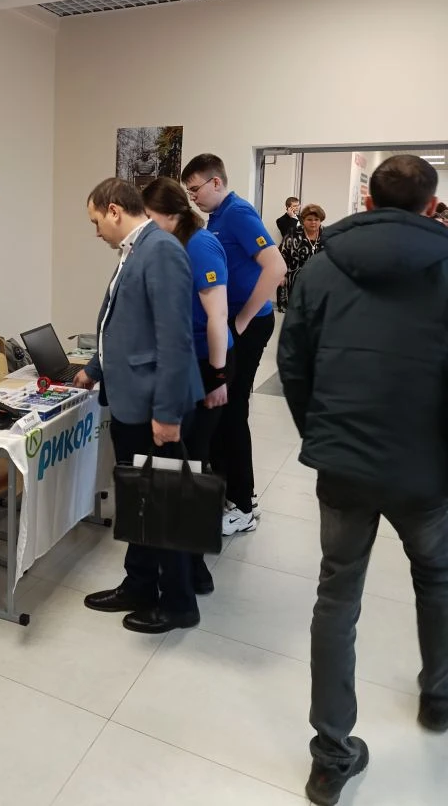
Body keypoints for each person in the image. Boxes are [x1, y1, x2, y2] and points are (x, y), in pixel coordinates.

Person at [277, 155, 448, 806]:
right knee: (437, 578)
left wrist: (321, 436)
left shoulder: (321, 269)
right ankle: (439, 696)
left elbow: (293, 366)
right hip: (426, 468)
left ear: (367, 202)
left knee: (336, 598)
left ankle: (330, 758)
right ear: (431, 207)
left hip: (344, 464)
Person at [73, 178, 205, 634]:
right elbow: (121, 324)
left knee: (163, 505)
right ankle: (140, 584)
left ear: (114, 210)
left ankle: (180, 604)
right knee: (140, 502)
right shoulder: (135, 250)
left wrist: (166, 415)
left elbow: (174, 339)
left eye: (96, 221)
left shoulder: (161, 250)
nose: (96, 232)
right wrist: (95, 367)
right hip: (133, 400)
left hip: (155, 407)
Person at [182, 154, 286, 534]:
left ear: (216, 182)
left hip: (249, 325)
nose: (193, 197)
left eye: (195, 189)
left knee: (233, 410)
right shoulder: (216, 218)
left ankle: (243, 505)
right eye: (188, 192)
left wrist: (240, 321)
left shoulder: (238, 212)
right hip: (235, 324)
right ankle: (234, 493)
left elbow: (277, 268)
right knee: (223, 413)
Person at [142, 176, 235, 595]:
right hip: (189, 362)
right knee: (184, 466)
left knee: (192, 467)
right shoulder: (173, 243)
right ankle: (188, 563)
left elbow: (217, 316)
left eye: (150, 217)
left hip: (207, 363)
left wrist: (217, 377)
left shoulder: (200, 245)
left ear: (171, 213)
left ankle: (195, 568)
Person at [277, 203, 326, 313]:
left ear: (321, 220)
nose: (313, 222)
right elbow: (282, 255)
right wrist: (281, 275)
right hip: (295, 280)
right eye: (309, 219)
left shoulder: (327, 234)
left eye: (316, 219)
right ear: (303, 220)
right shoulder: (293, 233)